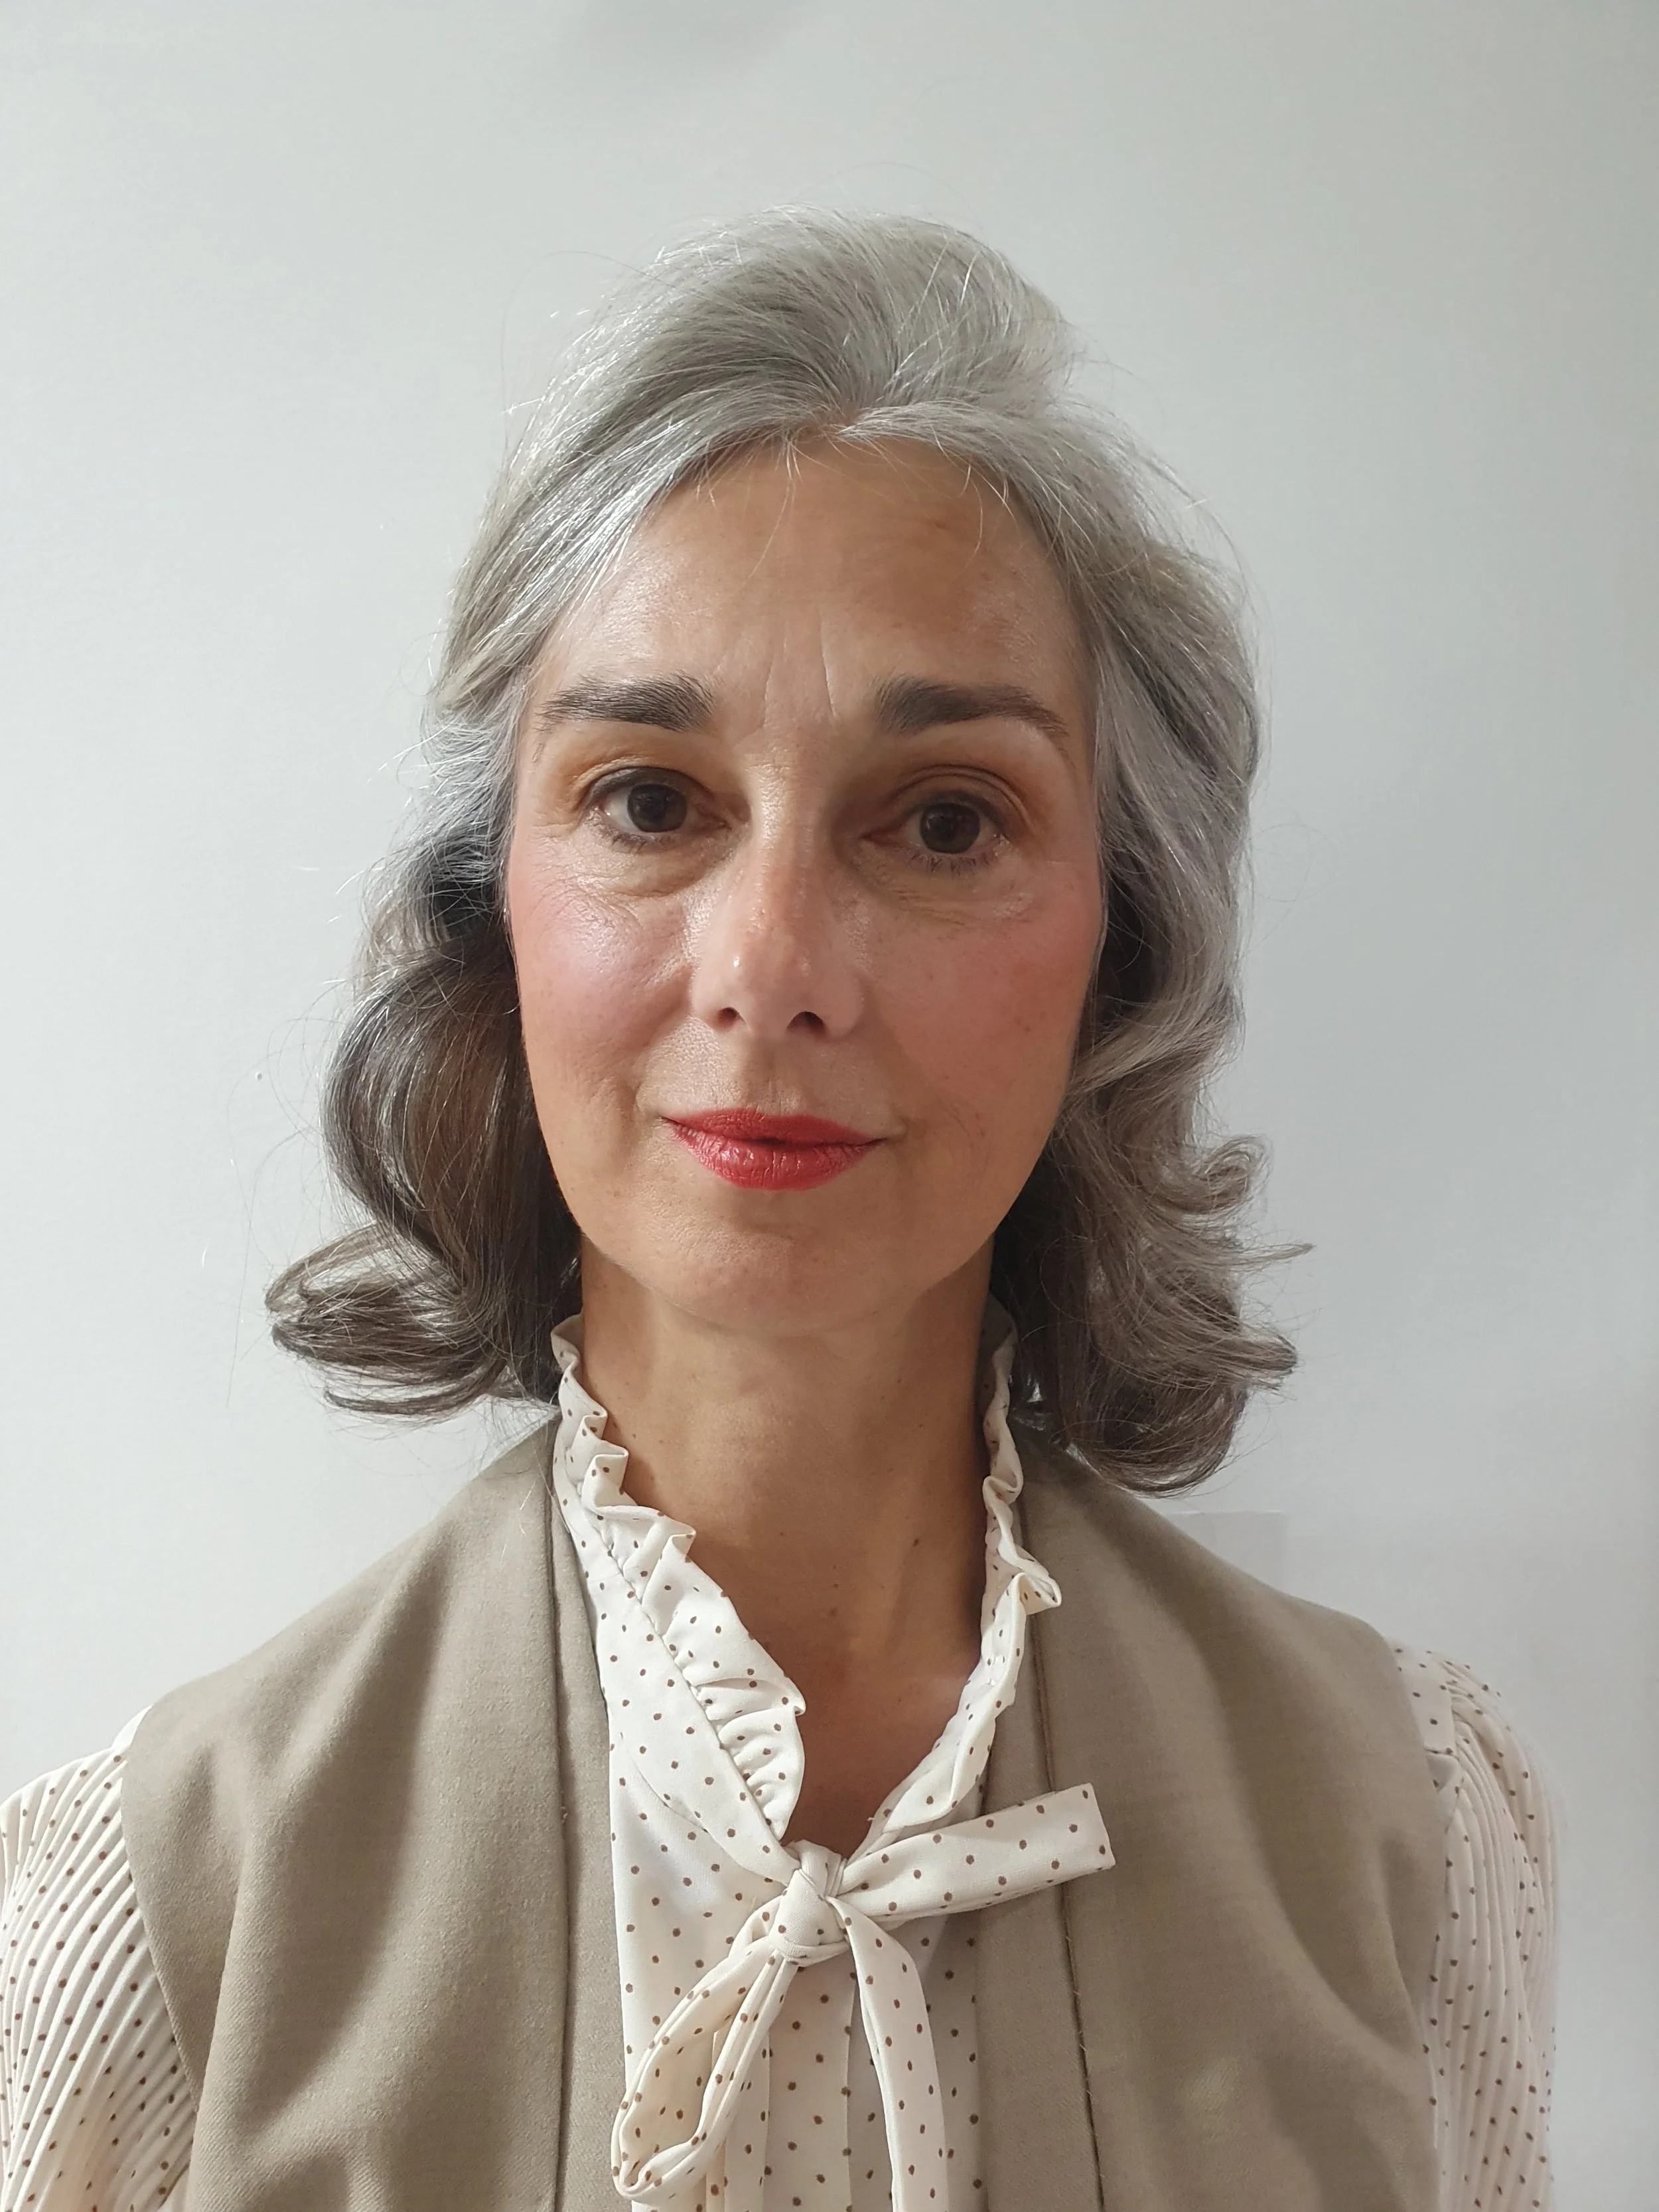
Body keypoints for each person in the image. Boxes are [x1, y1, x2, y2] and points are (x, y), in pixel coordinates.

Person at [0, 212, 1555, 2212]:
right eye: (649, 798)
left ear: (1122, 935)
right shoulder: (147, 1909)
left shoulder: (1401, 1822)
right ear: (500, 919)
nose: (775, 965)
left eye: (940, 820)